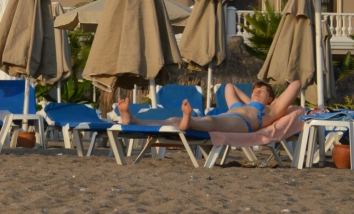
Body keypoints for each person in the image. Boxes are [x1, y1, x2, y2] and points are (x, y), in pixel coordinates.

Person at [117, 79, 303, 133]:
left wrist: (274, 102)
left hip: (242, 122)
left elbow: (297, 84)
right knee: (174, 119)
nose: (257, 91)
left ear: (271, 98)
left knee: (211, 121)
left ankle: (189, 122)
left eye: (262, 91)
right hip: (229, 115)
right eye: (255, 89)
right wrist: (252, 100)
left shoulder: (271, 110)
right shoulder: (241, 104)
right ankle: (135, 120)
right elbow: (229, 87)